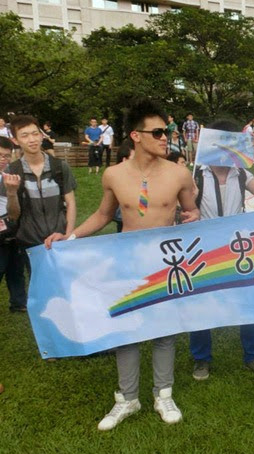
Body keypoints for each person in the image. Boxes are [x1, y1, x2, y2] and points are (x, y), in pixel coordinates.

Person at [44, 100, 200, 431]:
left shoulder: (179, 174)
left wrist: (194, 215)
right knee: (126, 329)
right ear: (136, 136)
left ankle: (163, 393)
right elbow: (103, 214)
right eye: (157, 132)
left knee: (165, 330)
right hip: (126, 263)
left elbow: (191, 211)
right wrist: (70, 238)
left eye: (166, 131)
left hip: (165, 262)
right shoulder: (113, 175)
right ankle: (128, 397)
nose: (165, 137)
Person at [189, 119, 254, 381]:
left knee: (248, 302)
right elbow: (185, 209)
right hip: (204, 249)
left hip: (237, 248)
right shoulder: (197, 175)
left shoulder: (241, 173)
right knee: (201, 303)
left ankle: (253, 355)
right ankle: (201, 358)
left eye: (232, 140)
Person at [2, 115, 77, 261]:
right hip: (30, 242)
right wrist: (11, 192)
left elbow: (71, 203)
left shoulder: (59, 167)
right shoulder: (12, 171)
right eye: (25, 136)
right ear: (15, 141)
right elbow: (13, 215)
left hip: (60, 238)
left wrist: (68, 235)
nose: (32, 139)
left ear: (41, 135)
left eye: (35, 133)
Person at [0, 136, 27, 312]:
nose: (3, 159)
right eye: (0, 155)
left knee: (16, 268)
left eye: (7, 156)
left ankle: (18, 303)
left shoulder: (10, 175)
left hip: (12, 226)